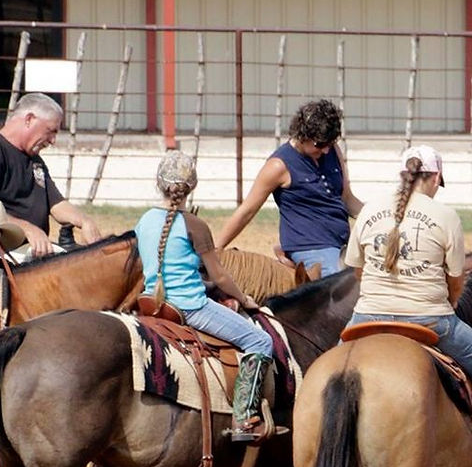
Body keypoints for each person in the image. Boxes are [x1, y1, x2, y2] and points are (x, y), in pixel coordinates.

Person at [347, 146, 472, 467]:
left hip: (366, 317)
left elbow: (356, 270)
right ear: (436, 177)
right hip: (429, 320)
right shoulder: (445, 216)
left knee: (324, 374)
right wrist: (449, 303)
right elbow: (456, 281)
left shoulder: (369, 210)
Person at [134, 152, 277, 443]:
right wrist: (244, 299)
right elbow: (220, 276)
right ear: (193, 186)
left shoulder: (145, 220)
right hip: (190, 307)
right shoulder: (194, 225)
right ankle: (244, 417)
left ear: (159, 183)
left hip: (153, 303)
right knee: (260, 341)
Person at [215, 98, 361, 277]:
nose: (325, 150)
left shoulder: (332, 151)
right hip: (311, 246)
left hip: (343, 242)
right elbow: (247, 211)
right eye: (320, 145)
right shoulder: (278, 166)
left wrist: (378, 216)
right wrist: (215, 249)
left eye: (330, 144)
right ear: (302, 135)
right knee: (339, 282)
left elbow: (347, 198)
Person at [0, 92, 95, 272]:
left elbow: (56, 204)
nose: (53, 141)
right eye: (51, 131)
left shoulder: (34, 160)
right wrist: (27, 229)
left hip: (30, 251)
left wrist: (84, 221)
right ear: (29, 119)